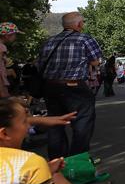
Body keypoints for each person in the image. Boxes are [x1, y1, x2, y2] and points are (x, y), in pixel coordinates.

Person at [36, 13, 102, 160]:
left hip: (50, 86)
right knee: (82, 123)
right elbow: (95, 62)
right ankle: (77, 161)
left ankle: (57, 161)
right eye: (82, 22)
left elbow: (39, 65)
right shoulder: (85, 38)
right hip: (74, 84)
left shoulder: (49, 41)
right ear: (78, 25)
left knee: (55, 122)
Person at [0, 23, 23, 99]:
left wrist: (7, 71)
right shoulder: (1, 47)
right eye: (15, 34)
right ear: (7, 35)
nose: (15, 37)